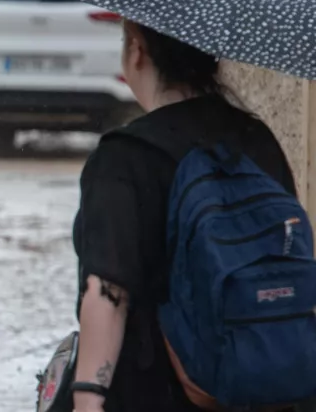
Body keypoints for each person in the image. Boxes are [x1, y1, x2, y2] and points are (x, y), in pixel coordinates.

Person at [70, 21, 297, 411]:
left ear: (136, 49)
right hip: (270, 387)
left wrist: (87, 401)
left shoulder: (125, 156)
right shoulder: (258, 140)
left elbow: (108, 291)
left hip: (155, 392)